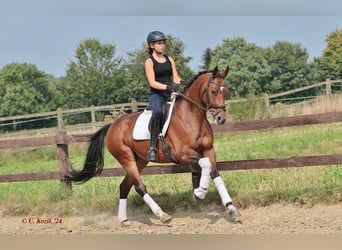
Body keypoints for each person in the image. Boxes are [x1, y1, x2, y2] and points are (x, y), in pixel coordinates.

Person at [144, 30, 183, 162]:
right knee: (159, 112)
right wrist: (167, 86)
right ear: (151, 45)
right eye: (159, 43)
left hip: (170, 93)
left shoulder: (169, 59)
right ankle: (152, 147)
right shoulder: (149, 62)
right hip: (157, 94)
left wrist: (182, 82)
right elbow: (152, 82)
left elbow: (175, 77)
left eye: (163, 43)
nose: (162, 46)